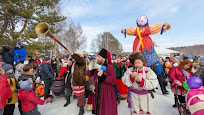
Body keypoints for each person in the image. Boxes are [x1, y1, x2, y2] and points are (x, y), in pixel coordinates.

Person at [87, 48, 117, 115]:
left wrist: (103, 76)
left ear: (104, 58)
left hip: (107, 92)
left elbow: (113, 80)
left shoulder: (110, 67)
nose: (97, 58)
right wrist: (91, 68)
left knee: (107, 110)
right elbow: (88, 74)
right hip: (97, 91)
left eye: (99, 56)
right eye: (97, 56)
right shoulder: (96, 66)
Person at [67, 50, 87, 115]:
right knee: (77, 94)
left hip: (79, 80)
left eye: (76, 55)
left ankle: (82, 109)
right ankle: (81, 104)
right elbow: (72, 70)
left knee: (80, 95)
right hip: (74, 80)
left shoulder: (82, 61)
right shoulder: (75, 62)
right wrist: (69, 66)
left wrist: (72, 54)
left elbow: (79, 61)